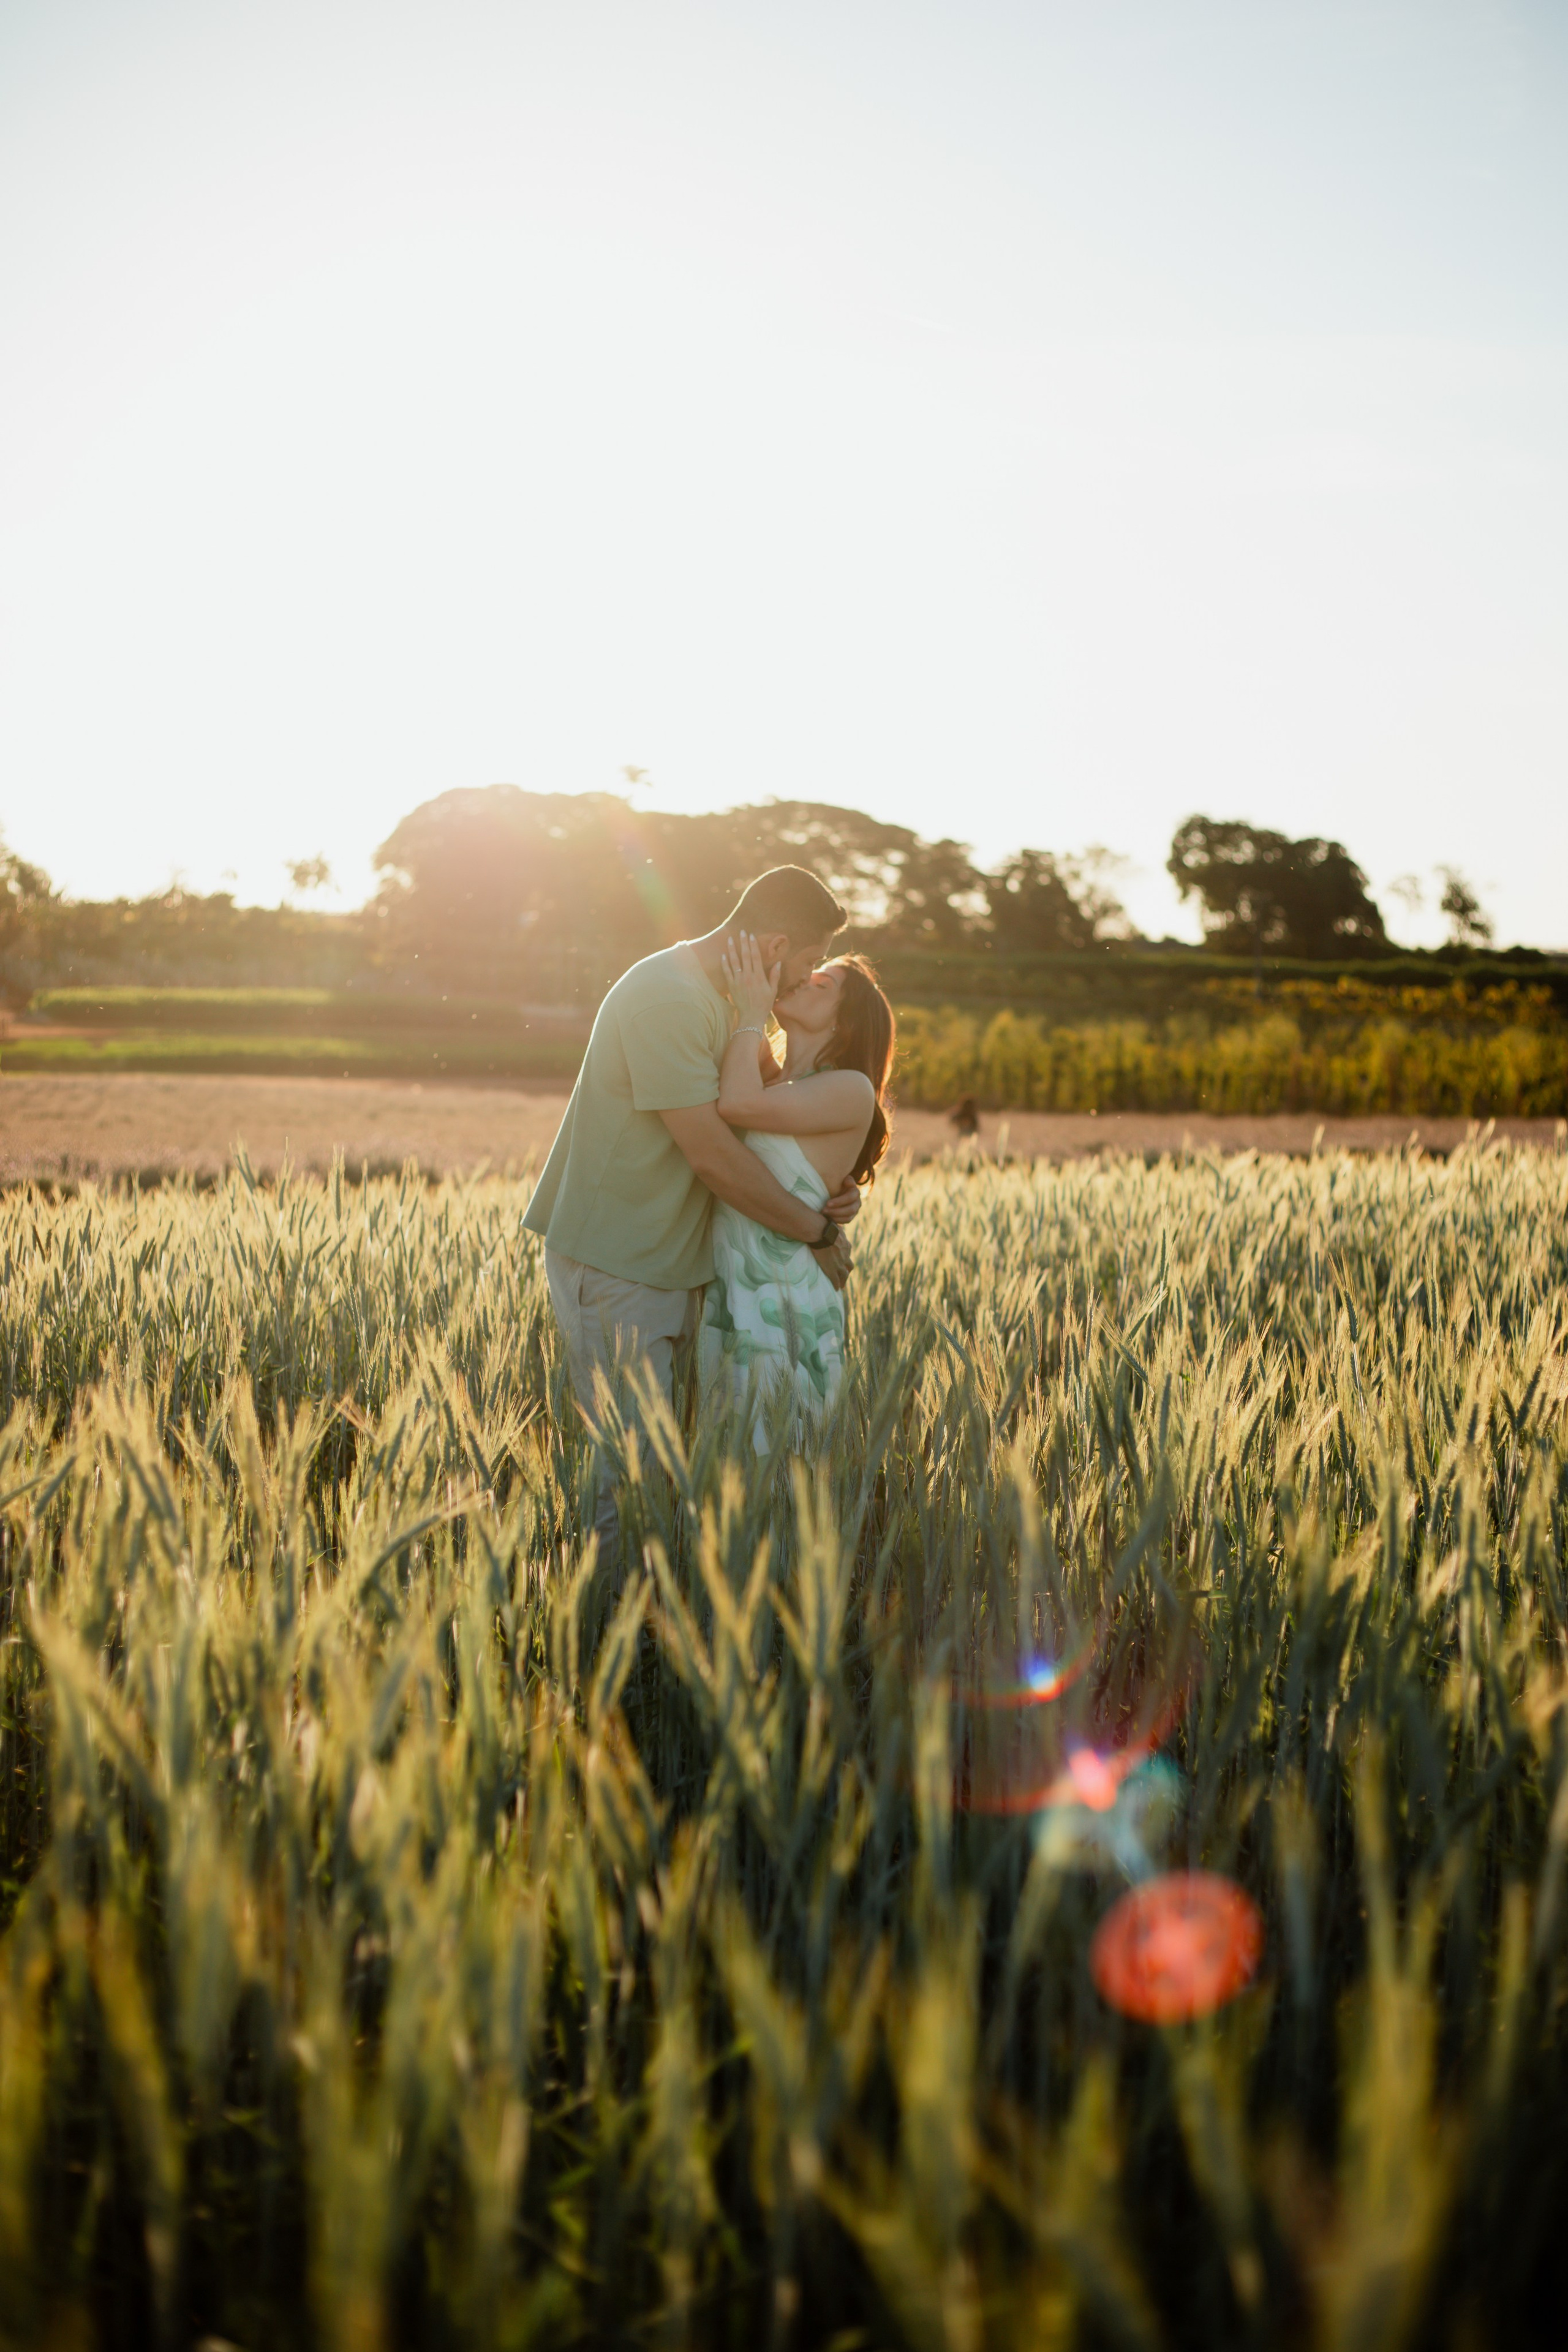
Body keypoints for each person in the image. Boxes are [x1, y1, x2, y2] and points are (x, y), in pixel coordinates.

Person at [522, 865, 862, 1568]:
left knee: (668, 1472)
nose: (801, 981)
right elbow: (711, 1152)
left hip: (683, 1268)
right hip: (619, 1264)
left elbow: (776, 1122)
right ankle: (601, 1646)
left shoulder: (735, 1006)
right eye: (802, 963)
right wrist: (814, 1230)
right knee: (628, 1476)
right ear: (772, 944)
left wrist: (835, 1186)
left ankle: (646, 1639)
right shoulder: (667, 999)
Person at [697, 927, 895, 1450]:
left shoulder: (849, 1087)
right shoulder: (770, 1075)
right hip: (730, 1295)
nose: (804, 980)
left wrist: (751, 1012)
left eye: (822, 983)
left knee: (778, 1467)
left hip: (781, 1302)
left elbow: (736, 1107)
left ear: (845, 1019)